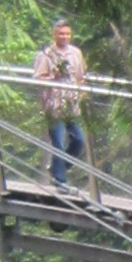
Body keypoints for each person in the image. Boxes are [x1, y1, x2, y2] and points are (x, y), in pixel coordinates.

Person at [35, 18, 91, 196]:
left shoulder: (76, 53)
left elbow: (82, 77)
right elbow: (37, 78)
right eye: (61, 33)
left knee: (79, 140)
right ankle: (61, 182)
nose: (64, 37)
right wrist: (54, 78)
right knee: (58, 143)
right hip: (54, 106)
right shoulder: (46, 54)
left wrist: (82, 91)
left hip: (72, 106)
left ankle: (60, 167)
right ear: (54, 34)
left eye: (67, 33)